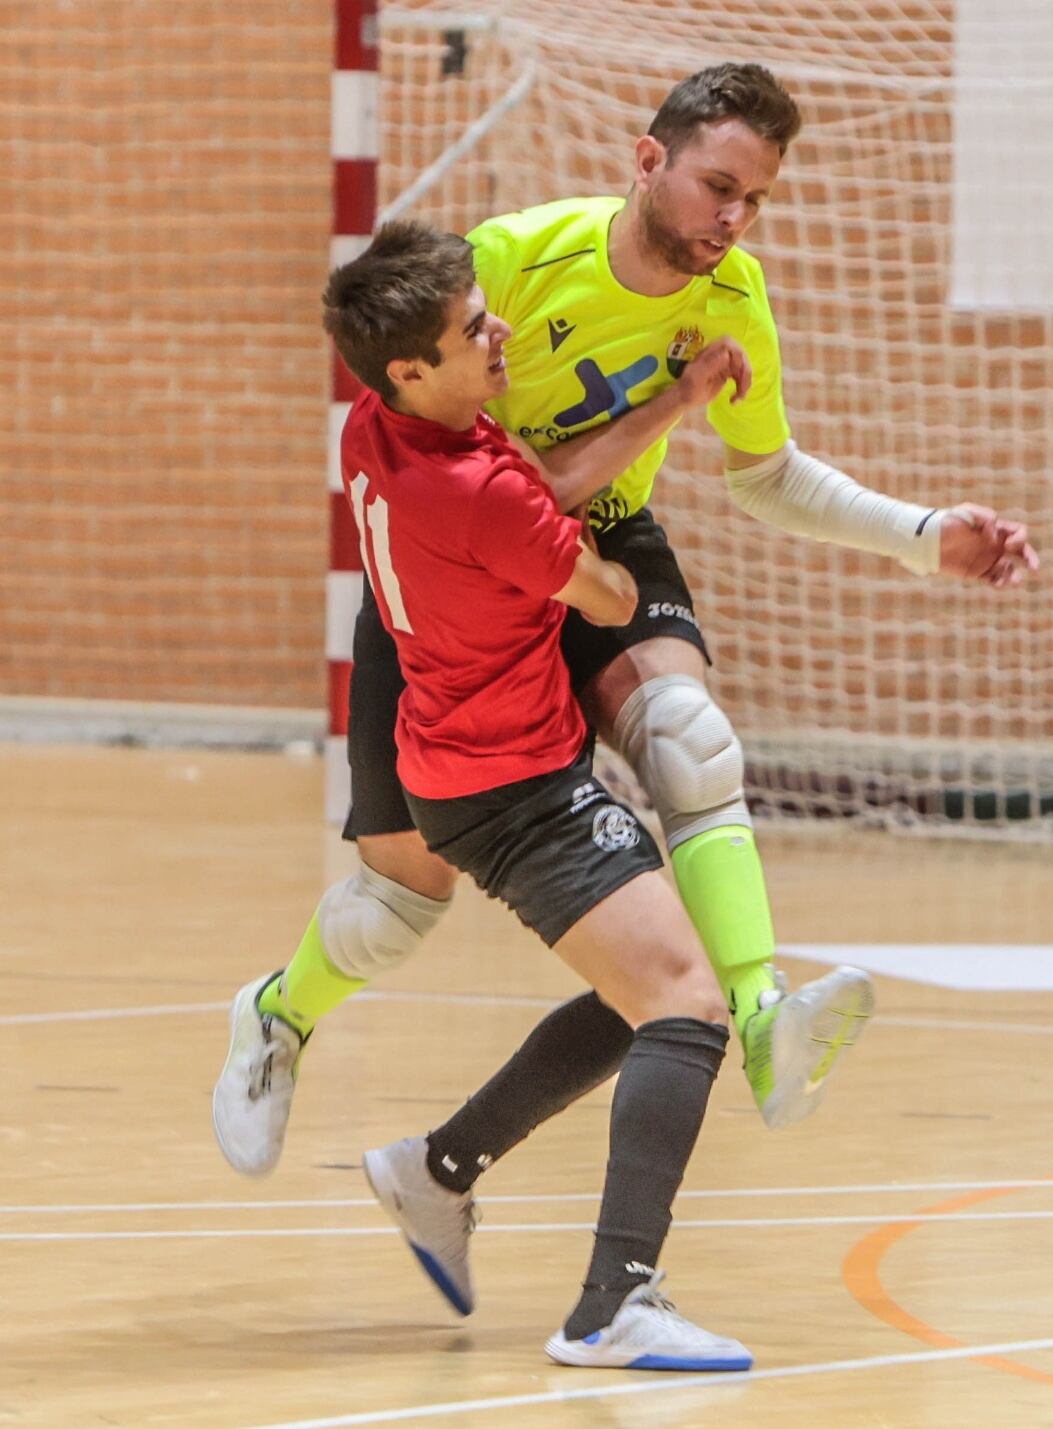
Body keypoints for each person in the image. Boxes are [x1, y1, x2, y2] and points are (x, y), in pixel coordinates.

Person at [216, 61, 1037, 1177]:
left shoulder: (733, 295)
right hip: (455, 568)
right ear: (646, 160)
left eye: (755, 199)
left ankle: (760, 1019)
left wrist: (920, 532)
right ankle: (276, 1015)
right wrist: (644, 416)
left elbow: (765, 474)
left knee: (689, 738)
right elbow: (430, 447)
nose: (733, 220)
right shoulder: (511, 258)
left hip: (598, 535)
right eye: (717, 186)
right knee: (392, 908)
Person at [323, 220, 755, 1368]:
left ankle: (437, 1169)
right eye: (474, 329)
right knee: (685, 1005)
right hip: (514, 785)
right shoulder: (481, 498)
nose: (499, 329)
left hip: (462, 764)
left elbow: (540, 484)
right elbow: (608, 596)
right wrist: (621, 568)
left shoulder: (373, 429)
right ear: (412, 367)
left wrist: (670, 401)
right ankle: (613, 1303)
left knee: (643, 994)